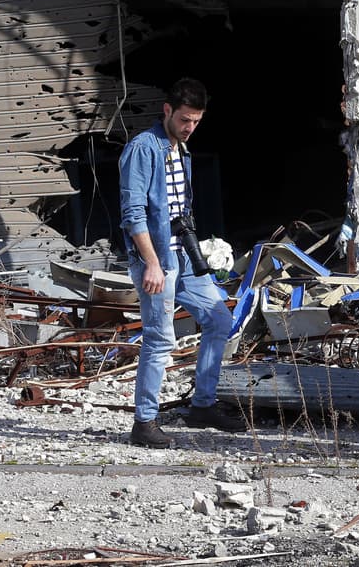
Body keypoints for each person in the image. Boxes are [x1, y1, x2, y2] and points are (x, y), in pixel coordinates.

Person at [118, 77, 246, 448]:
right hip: (156, 258)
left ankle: (202, 406)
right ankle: (144, 424)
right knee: (160, 339)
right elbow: (133, 213)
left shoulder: (182, 150)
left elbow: (177, 208)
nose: (190, 127)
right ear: (167, 111)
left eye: (196, 121)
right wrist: (152, 264)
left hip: (184, 254)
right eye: (184, 120)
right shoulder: (143, 150)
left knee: (219, 318)